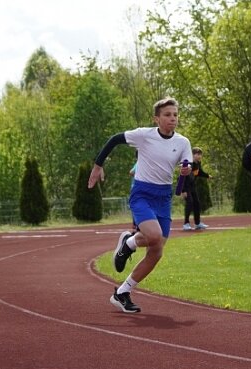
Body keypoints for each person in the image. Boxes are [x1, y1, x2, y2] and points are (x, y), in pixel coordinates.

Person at [88, 97, 192, 313]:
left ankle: (122, 292)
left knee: (157, 250)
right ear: (157, 118)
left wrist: (186, 171)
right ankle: (130, 243)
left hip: (163, 197)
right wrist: (98, 166)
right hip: (143, 193)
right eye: (167, 115)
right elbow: (114, 139)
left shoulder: (183, 142)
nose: (172, 118)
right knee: (154, 236)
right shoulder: (144, 136)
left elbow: (187, 164)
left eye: (175, 114)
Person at [181, 147, 210, 230]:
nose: (199, 156)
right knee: (189, 203)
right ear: (192, 155)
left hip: (192, 186)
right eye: (197, 154)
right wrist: (183, 191)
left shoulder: (197, 163)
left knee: (197, 203)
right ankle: (186, 224)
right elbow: (182, 177)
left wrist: (207, 176)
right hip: (186, 186)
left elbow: (199, 172)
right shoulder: (188, 164)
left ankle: (197, 223)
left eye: (200, 154)